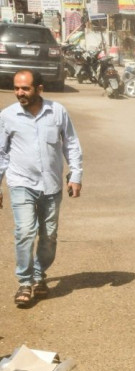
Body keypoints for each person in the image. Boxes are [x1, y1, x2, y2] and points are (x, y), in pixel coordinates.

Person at [0, 69, 83, 307]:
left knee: (49, 235)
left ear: (39, 88)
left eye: (25, 88)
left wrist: (75, 175)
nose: (19, 93)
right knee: (25, 231)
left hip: (51, 186)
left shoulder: (57, 112)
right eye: (16, 88)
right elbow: (1, 154)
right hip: (21, 183)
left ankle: (39, 275)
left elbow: (72, 144)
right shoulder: (7, 116)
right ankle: (25, 282)